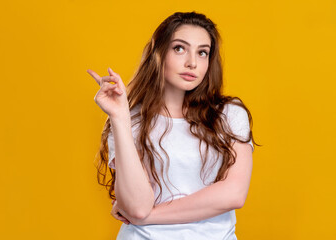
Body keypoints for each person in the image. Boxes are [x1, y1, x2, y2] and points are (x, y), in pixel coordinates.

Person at [87, 11, 258, 240]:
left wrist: (148, 217)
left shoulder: (229, 114)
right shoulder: (131, 119)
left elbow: (234, 194)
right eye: (179, 48)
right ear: (160, 53)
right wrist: (119, 117)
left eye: (202, 52)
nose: (192, 62)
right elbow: (137, 206)